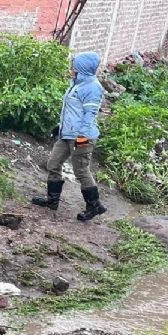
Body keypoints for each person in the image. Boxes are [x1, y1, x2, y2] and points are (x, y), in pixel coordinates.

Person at [32, 51, 107, 221]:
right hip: (67, 134)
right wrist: (61, 127)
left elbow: (90, 114)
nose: (71, 68)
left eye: (74, 66)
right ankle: (52, 200)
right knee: (53, 163)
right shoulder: (76, 83)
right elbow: (72, 111)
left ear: (82, 68)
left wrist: (82, 137)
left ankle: (94, 205)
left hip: (81, 136)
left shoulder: (92, 87)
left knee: (80, 170)